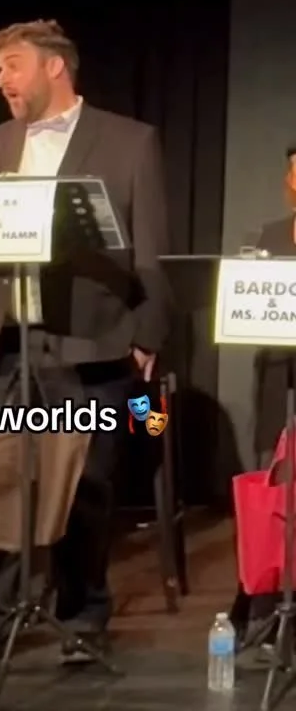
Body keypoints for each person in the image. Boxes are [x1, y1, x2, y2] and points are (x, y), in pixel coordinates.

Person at [0, 18, 173, 677]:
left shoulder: (129, 140)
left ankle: (82, 616)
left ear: (54, 67)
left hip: (88, 338)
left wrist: (147, 334)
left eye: (12, 65)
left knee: (85, 484)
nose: (0, 80)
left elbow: (151, 247)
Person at [231, 143, 296, 642]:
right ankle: (265, 601)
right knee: (275, 485)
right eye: (295, 173)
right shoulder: (269, 237)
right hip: (278, 371)